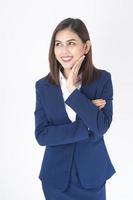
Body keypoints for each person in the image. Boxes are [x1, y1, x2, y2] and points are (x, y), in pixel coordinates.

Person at [34, 18, 116, 200]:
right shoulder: (43, 86)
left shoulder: (102, 80)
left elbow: (101, 127)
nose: (64, 51)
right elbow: (42, 135)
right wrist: (86, 121)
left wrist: (73, 92)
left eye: (71, 43)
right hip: (55, 179)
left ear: (86, 47)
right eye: (58, 44)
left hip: (92, 176)